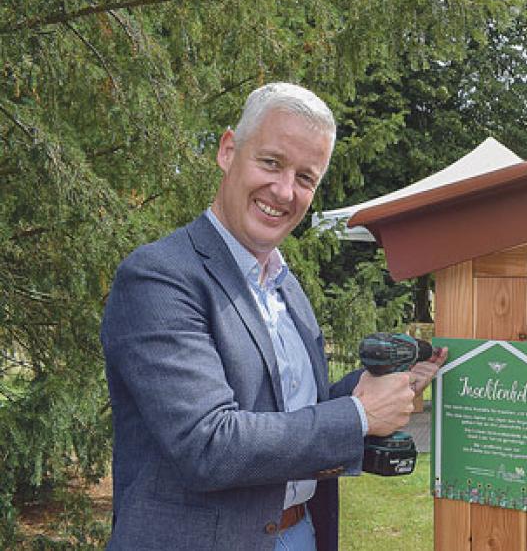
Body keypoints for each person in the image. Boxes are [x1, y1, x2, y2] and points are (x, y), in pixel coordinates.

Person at [101, 82, 447, 551]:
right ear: (228, 151)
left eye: (306, 178)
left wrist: (383, 386)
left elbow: (292, 409)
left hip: (300, 533)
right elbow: (208, 444)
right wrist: (360, 414)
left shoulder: (286, 285)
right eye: (271, 162)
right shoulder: (160, 277)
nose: (284, 191)